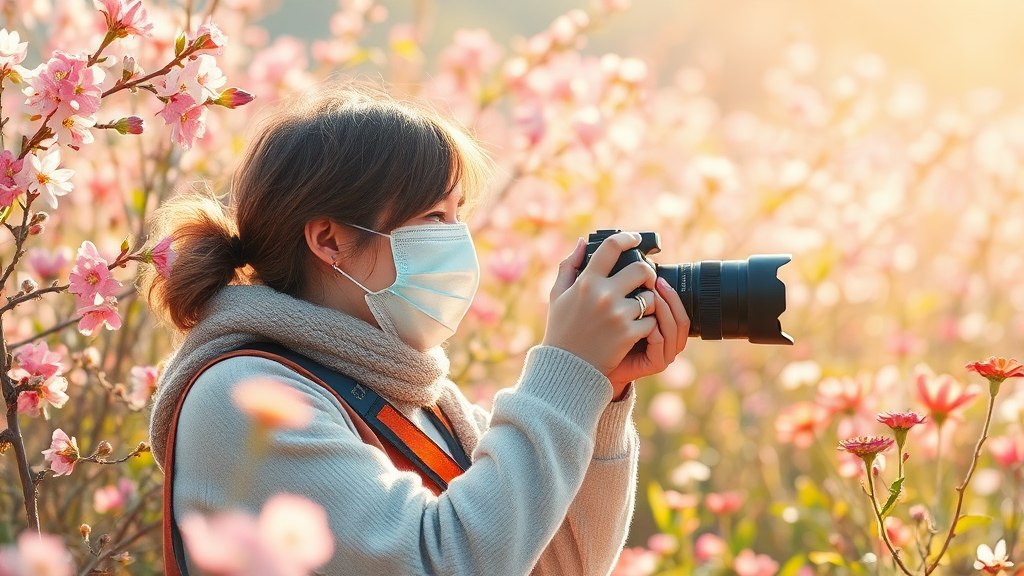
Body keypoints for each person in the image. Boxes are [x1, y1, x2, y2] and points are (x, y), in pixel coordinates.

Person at [144, 83, 690, 576]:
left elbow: (561, 565)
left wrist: (600, 393)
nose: (459, 241)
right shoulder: (246, 399)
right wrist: (562, 369)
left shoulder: (425, 404)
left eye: (459, 214)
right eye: (432, 218)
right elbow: (438, 565)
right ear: (329, 240)